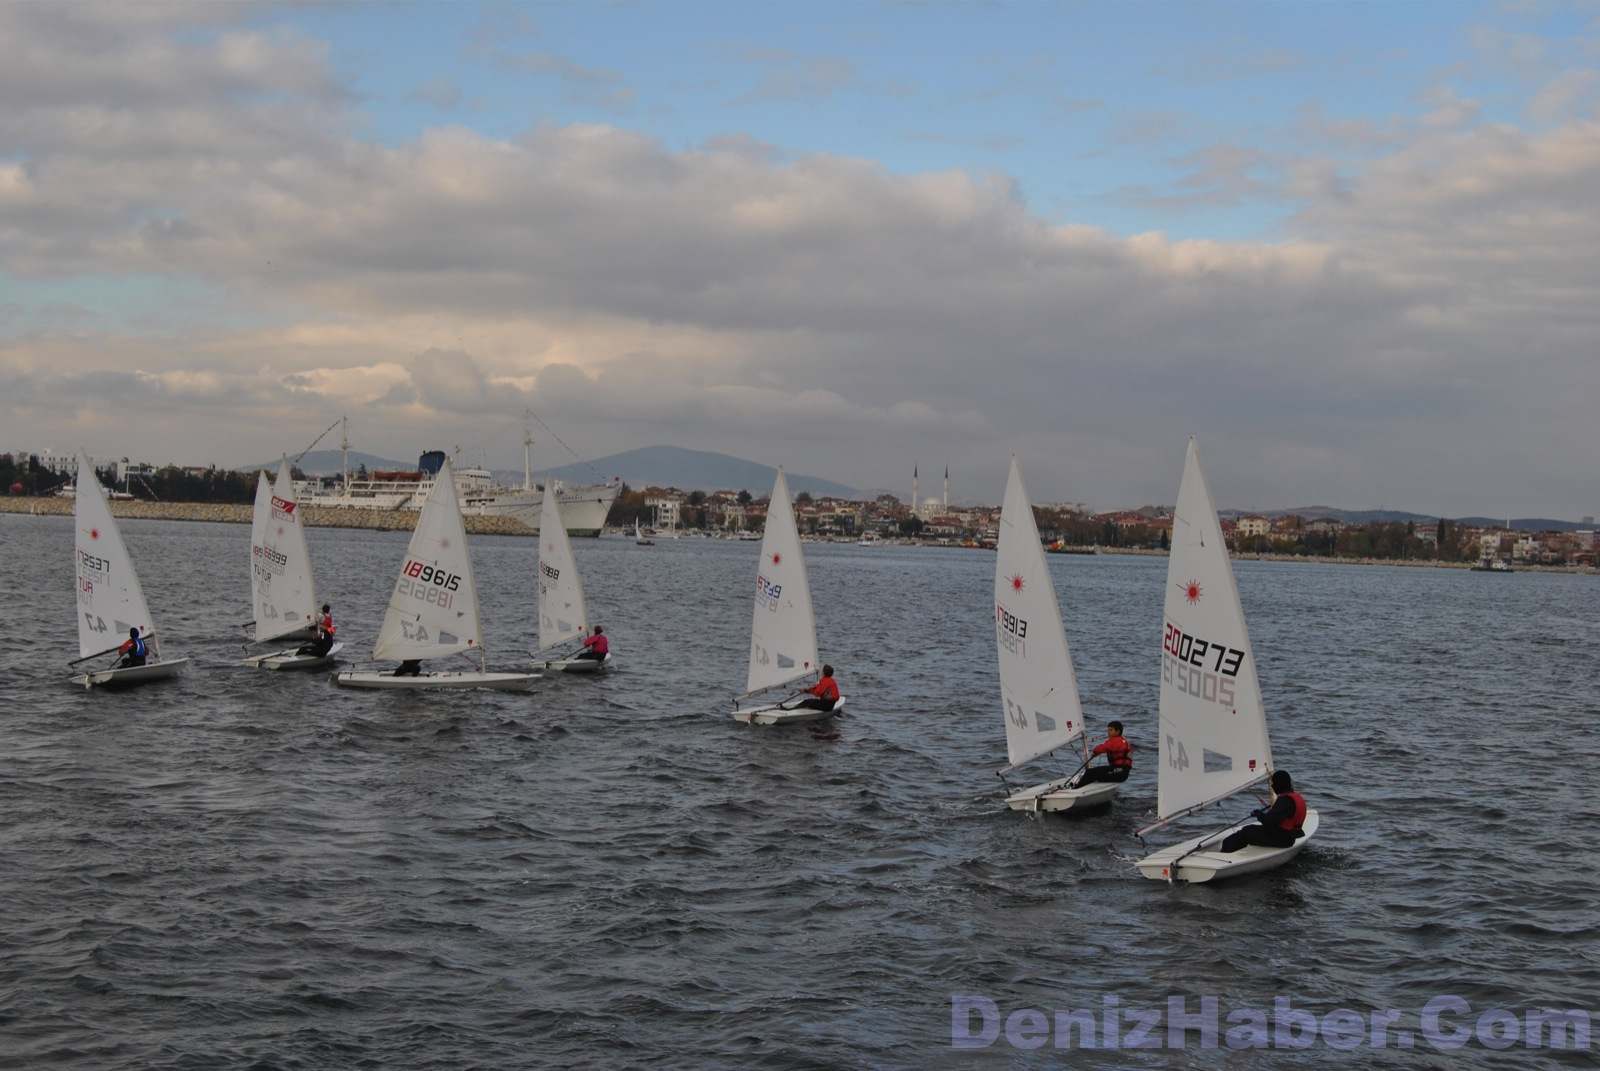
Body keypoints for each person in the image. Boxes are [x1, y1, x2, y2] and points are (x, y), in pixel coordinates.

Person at [1221, 770, 1307, 853]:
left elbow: (1268, 822)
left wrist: (1259, 814)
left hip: (1282, 840)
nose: (1272, 786)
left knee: (1245, 831)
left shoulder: (1284, 800)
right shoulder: (1296, 797)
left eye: (1273, 783)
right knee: (1250, 829)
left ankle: (1225, 855)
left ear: (1279, 784)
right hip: (1289, 838)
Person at [1070, 721, 1134, 787]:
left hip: (1119, 773)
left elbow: (1104, 747)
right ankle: (1081, 786)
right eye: (1108, 730)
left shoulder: (1117, 741)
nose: (1108, 732)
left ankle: (1077, 788)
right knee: (1092, 772)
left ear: (1117, 731)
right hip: (1119, 772)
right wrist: (1096, 753)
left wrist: (1095, 752)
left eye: (1111, 730)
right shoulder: (1122, 740)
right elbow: (1110, 748)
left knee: (1090, 773)